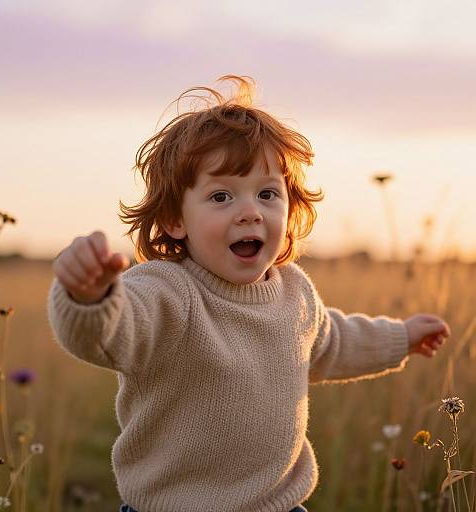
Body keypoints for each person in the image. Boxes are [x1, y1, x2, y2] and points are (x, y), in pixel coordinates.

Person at [47, 75, 450, 512]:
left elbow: (332, 342)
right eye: (221, 196)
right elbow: (115, 332)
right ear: (174, 219)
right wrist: (90, 299)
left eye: (267, 193)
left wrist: (400, 337)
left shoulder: (294, 292)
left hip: (278, 505)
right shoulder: (169, 290)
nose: (250, 212)